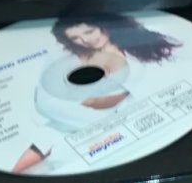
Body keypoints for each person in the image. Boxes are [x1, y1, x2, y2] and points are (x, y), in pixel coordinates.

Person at [12, 14, 181, 173]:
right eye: (75, 38)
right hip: (82, 117)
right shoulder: (74, 59)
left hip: (124, 119)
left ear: (103, 27)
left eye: (89, 32)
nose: (85, 40)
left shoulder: (139, 49)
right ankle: (12, 177)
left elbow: (157, 80)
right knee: (48, 135)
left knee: (61, 144)